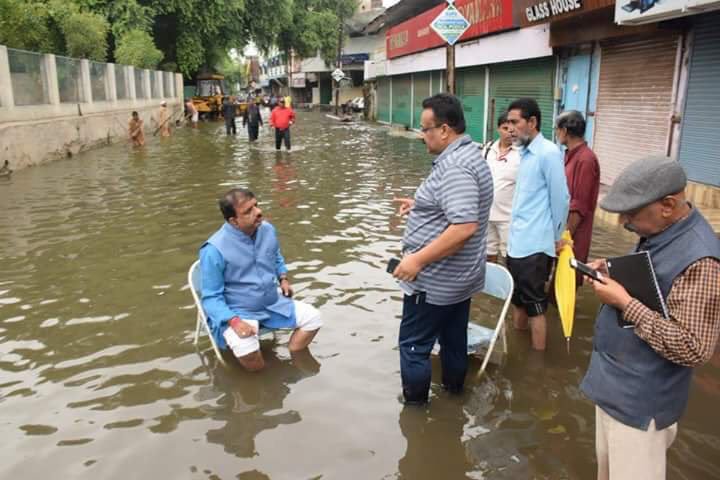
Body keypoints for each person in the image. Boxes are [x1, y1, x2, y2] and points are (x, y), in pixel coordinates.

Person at [580, 155, 720, 480]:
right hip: (615, 389)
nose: (622, 222)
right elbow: (657, 282)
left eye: (631, 214)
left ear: (668, 205)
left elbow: (693, 348)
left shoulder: (702, 262)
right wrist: (614, 270)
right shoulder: (665, 231)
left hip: (640, 408)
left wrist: (624, 302)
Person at [392, 93, 493, 404]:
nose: (422, 136)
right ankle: (454, 395)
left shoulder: (456, 168)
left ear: (445, 130)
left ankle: (416, 414)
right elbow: (457, 206)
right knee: (453, 340)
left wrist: (417, 260)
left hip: (435, 281)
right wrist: (421, 203)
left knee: (413, 346)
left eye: (426, 129)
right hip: (459, 279)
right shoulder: (469, 156)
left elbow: (464, 227)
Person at [199, 188, 323, 371]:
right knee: (247, 351)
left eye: (256, 205)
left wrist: (283, 277)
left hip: (271, 302)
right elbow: (210, 298)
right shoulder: (213, 250)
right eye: (248, 211)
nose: (258, 212)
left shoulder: (267, 229)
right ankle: (262, 379)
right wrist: (234, 321)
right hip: (238, 311)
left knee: (314, 318)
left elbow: (275, 255)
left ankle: (291, 364)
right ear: (233, 221)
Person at [505, 98, 569, 351]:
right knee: (518, 301)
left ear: (532, 122)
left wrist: (556, 236)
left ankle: (537, 363)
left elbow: (561, 198)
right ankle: (518, 351)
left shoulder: (549, 153)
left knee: (535, 306)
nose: (510, 128)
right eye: (508, 123)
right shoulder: (524, 153)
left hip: (535, 246)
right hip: (517, 243)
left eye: (515, 122)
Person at [555, 110, 600, 278]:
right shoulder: (569, 156)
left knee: (565, 283)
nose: (556, 133)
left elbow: (579, 205)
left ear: (565, 131)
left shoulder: (585, 159)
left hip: (573, 235)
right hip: (563, 231)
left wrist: (566, 236)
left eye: (557, 129)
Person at [484, 112, 520, 264]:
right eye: (505, 128)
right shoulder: (487, 149)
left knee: (509, 255)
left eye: (512, 128)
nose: (509, 132)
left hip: (509, 217)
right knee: (488, 254)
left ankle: (511, 285)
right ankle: (491, 286)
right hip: (487, 214)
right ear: (499, 129)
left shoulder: (522, 154)